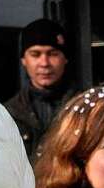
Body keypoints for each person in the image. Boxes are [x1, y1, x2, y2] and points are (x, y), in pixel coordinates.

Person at [4, 18, 75, 159]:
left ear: (65, 58)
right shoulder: (9, 113)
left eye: (53, 54)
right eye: (35, 54)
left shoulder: (85, 108)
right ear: (23, 60)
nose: (44, 63)